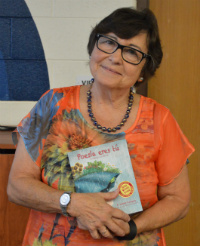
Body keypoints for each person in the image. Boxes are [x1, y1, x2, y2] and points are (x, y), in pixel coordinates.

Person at [7, 7, 195, 246]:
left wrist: (131, 228)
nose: (115, 57)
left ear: (143, 69)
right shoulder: (52, 105)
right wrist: (73, 203)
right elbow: (17, 186)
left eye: (132, 52)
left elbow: (178, 200)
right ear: (93, 46)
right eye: (108, 42)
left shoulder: (160, 119)